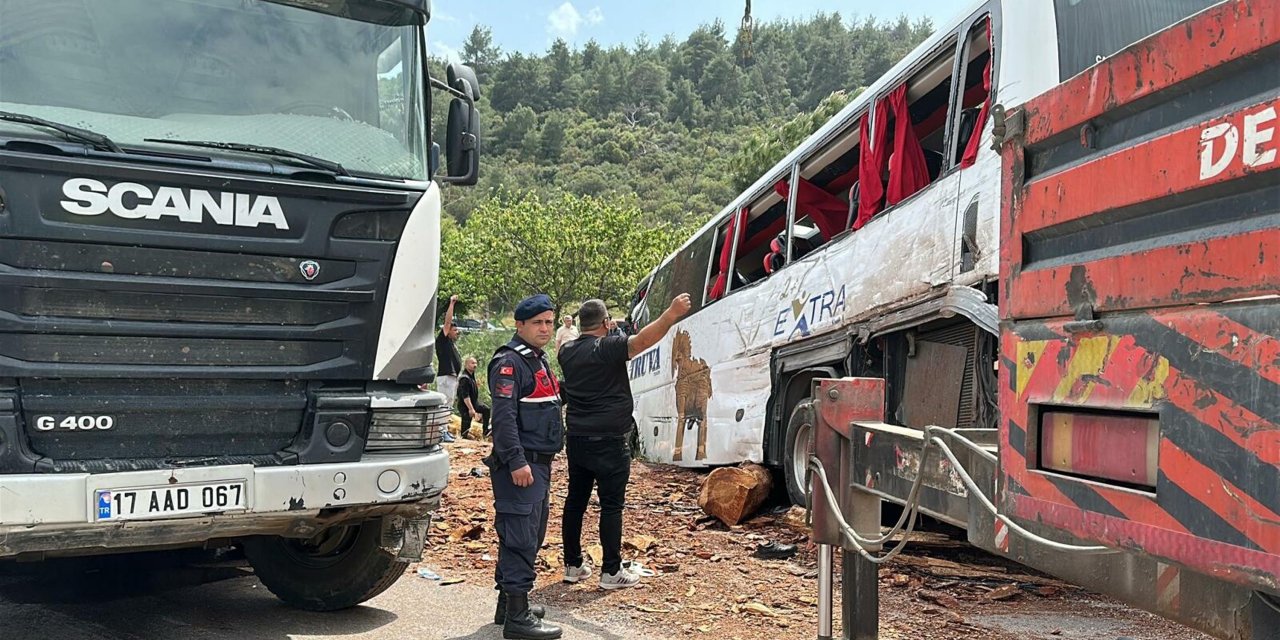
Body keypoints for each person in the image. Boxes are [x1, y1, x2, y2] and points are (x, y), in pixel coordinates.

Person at [558, 293, 692, 589]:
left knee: (575, 502)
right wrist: (671, 313)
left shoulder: (566, 351)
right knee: (611, 506)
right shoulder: (607, 348)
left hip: (577, 438)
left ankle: (572, 565)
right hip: (609, 439)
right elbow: (642, 341)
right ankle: (610, 571)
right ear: (606, 322)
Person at [484, 294, 563, 639]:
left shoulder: (536, 360)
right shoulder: (510, 362)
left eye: (549, 322)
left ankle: (508, 605)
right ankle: (518, 619)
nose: (545, 328)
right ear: (520, 325)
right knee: (520, 537)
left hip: (537, 465)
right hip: (522, 465)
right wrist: (516, 460)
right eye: (537, 323)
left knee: (528, 535)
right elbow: (503, 419)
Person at [435, 295, 462, 443]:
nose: (457, 332)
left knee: (448, 405)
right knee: (444, 404)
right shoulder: (443, 340)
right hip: (445, 377)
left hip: (451, 378)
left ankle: (444, 430)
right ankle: (441, 431)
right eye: (454, 329)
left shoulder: (450, 343)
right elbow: (447, 322)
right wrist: (452, 304)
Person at [457, 356, 491, 439]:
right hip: (465, 405)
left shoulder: (471, 376)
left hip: (474, 402)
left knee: (486, 409)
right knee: (466, 423)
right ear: (466, 365)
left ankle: (485, 431)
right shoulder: (464, 378)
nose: (475, 365)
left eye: (475, 363)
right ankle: (464, 435)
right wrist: (471, 409)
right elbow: (465, 395)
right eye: (472, 363)